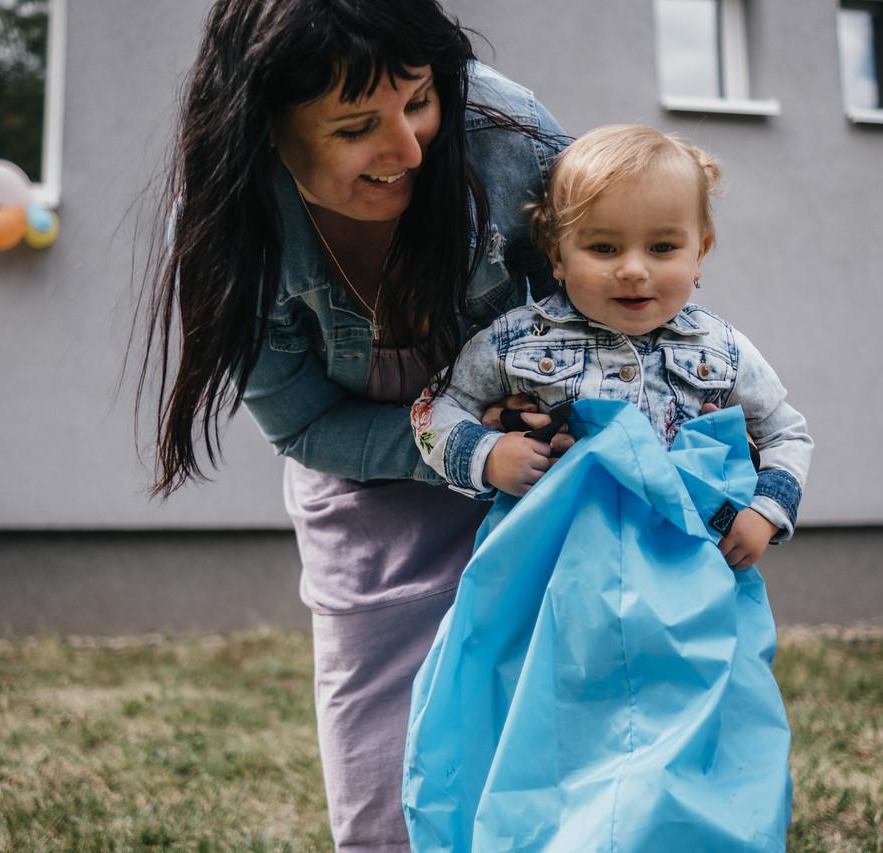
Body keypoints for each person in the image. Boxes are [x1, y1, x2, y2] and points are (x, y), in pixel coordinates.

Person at [137, 0, 568, 847]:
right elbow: (303, 425)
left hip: (532, 474)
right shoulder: (241, 220)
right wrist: (464, 448)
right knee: (382, 780)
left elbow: (613, 289)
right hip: (365, 493)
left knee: (539, 741)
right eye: (355, 127)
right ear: (267, 126)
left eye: (419, 100)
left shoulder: (506, 133)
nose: (410, 148)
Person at [412, 124, 813, 566]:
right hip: (552, 571)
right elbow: (434, 410)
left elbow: (785, 433)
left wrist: (765, 512)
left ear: (699, 253)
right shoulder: (517, 340)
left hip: (684, 571)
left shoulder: (718, 348)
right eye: (604, 247)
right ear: (558, 256)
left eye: (662, 247)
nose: (634, 270)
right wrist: (486, 455)